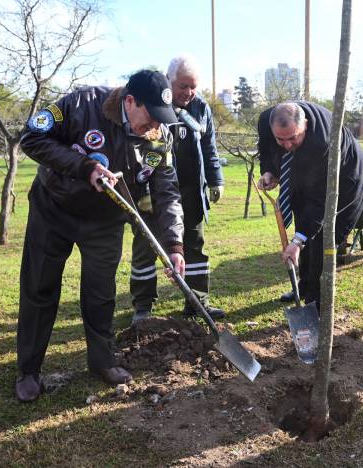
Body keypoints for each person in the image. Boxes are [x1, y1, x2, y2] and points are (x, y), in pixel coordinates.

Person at [16, 70, 186, 402]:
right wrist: (84, 167)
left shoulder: (159, 136)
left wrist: (175, 244)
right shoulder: (80, 104)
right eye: (150, 116)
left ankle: (102, 361)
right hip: (54, 208)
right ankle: (29, 370)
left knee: (100, 293)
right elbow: (32, 138)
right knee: (40, 288)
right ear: (130, 101)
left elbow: (166, 191)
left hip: (106, 220)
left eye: (161, 119)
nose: (154, 126)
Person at [129, 55, 225, 323]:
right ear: (169, 80)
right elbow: (142, 150)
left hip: (192, 190)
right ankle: (143, 307)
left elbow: (209, 147)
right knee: (146, 246)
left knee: (194, 245)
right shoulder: (154, 104)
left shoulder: (201, 108)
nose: (188, 92)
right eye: (183, 86)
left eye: (193, 86)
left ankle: (198, 302)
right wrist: (144, 190)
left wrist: (216, 179)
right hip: (154, 190)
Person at [257, 102, 363, 308]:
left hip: (345, 183)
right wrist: (269, 170)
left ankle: (315, 304)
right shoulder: (267, 121)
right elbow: (266, 148)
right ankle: (303, 287)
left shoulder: (323, 142)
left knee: (321, 241)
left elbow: (320, 203)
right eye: (280, 139)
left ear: (306, 125)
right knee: (304, 227)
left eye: (293, 138)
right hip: (304, 175)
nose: (287, 145)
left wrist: (298, 240)